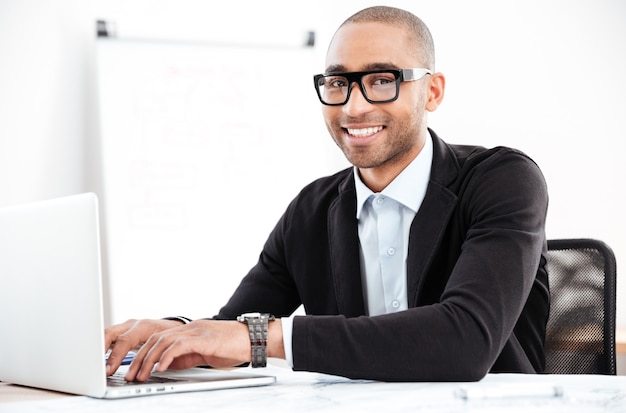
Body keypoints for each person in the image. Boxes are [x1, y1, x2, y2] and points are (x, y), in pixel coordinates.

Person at [105, 5, 549, 383]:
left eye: (381, 80)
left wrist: (268, 337)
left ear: (432, 91)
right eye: (338, 84)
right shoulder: (312, 210)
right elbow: (232, 333)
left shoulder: (503, 180)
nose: (354, 107)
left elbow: (465, 341)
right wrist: (173, 332)